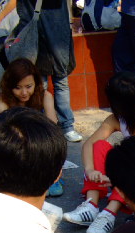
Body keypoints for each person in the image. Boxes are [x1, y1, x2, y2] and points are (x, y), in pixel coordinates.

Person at [63, 72, 135, 233]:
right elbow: (89, 144)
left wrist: (117, 180)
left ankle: (109, 213)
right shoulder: (117, 119)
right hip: (132, 173)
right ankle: (91, 205)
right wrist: (91, 170)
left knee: (132, 162)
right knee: (99, 145)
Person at [14, 0, 83, 142]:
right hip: (39, 42)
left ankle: (66, 126)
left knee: (60, 84)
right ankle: (41, 127)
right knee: (41, 87)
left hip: (59, 42)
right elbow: (24, 14)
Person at [0, 58, 62, 197]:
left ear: (36, 83)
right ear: (9, 86)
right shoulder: (1, 101)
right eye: (18, 88)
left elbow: (52, 128)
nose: (24, 92)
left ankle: (49, 177)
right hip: (17, 144)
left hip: (40, 143)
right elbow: (9, 132)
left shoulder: (45, 97)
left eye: (28, 86)